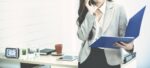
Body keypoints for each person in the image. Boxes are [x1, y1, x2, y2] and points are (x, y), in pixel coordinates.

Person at [76, 0, 134, 68]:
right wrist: (90, 14)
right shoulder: (87, 8)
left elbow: (124, 37)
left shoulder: (118, 8)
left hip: (111, 60)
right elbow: (82, 36)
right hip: (87, 58)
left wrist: (130, 47)